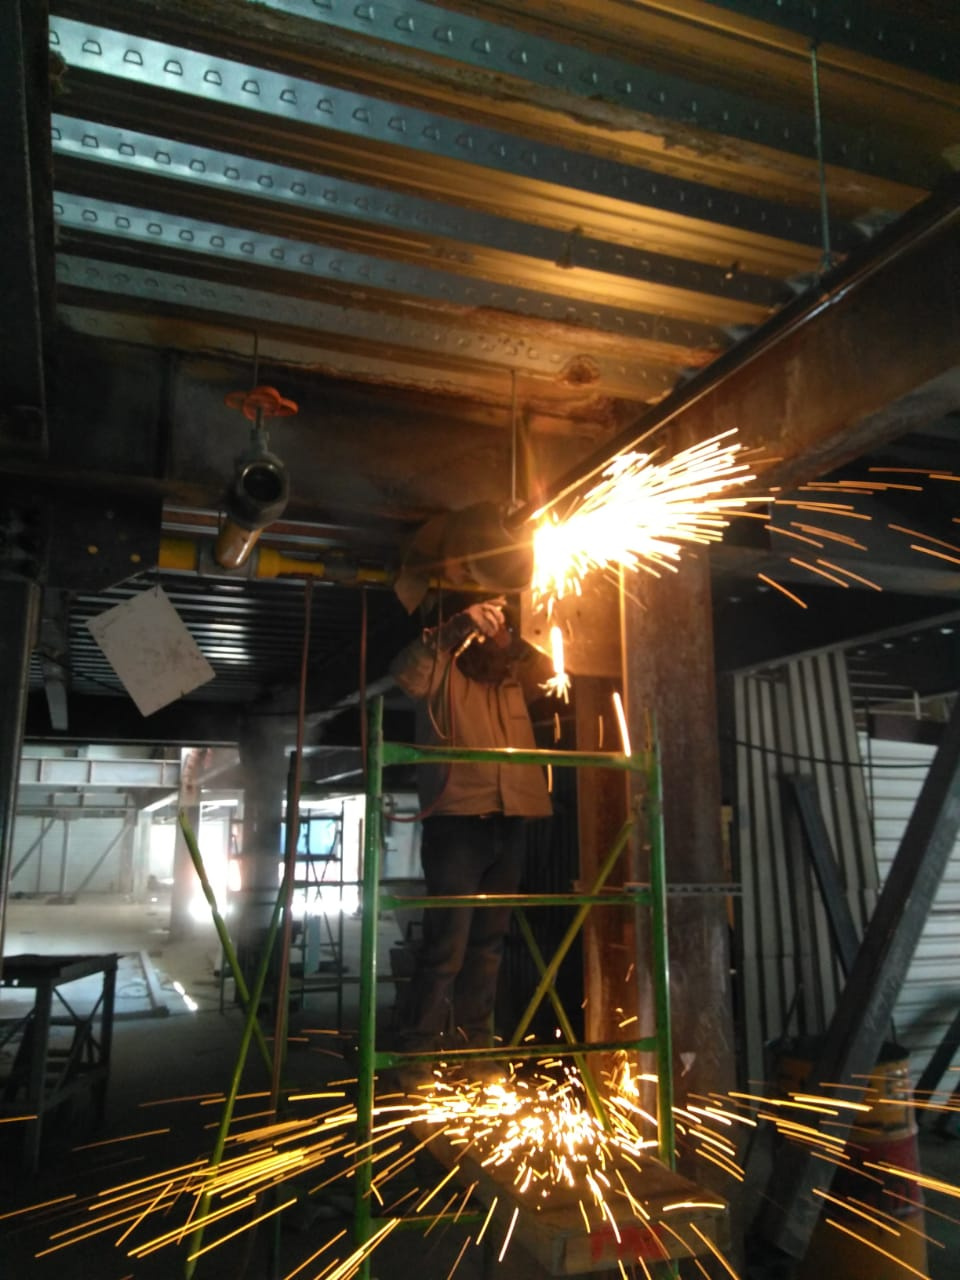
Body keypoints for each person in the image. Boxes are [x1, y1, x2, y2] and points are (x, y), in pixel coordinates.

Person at [389, 593, 554, 1087]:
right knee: (449, 945)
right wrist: (456, 628)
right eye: (488, 624)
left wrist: (513, 639)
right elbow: (407, 672)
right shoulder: (443, 670)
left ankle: (476, 1052)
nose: (493, 635)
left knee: (489, 944)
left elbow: (551, 671)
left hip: (511, 819)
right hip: (458, 820)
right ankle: (416, 1053)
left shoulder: (511, 678)